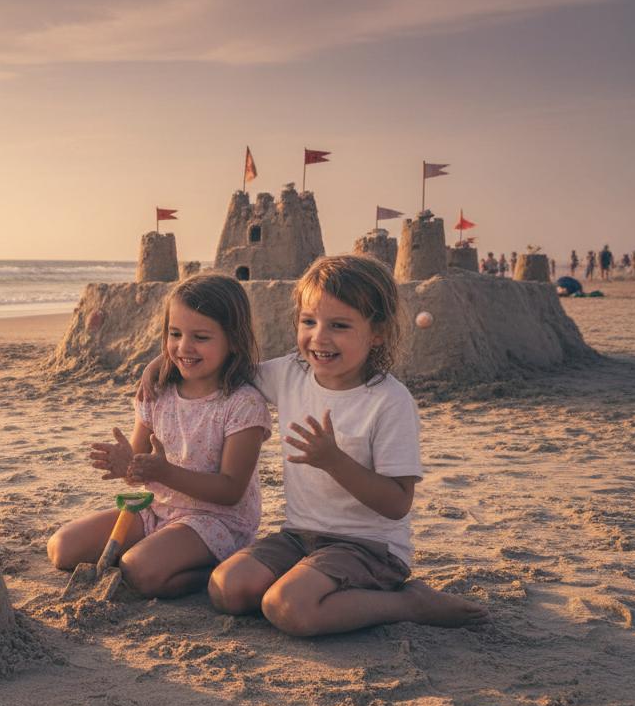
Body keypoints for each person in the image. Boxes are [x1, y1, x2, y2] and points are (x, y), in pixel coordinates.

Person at [140, 257, 488, 635]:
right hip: (299, 536)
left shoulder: (389, 401)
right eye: (309, 322)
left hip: (368, 547)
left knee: (288, 608)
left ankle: (409, 602)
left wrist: (334, 461)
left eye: (338, 326)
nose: (319, 338)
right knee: (227, 589)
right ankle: (308, 582)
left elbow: (397, 503)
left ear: (378, 333)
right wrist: (161, 362)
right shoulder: (292, 373)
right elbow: (227, 364)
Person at [48, 275, 271, 599]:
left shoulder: (242, 403)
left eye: (201, 337)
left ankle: (215, 568)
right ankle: (159, 551)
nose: (184, 347)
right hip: (156, 510)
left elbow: (230, 491)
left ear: (233, 341)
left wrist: (163, 472)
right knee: (63, 548)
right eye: (175, 334)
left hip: (215, 521)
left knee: (140, 571)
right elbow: (138, 474)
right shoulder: (157, 392)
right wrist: (127, 465)